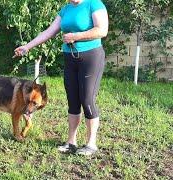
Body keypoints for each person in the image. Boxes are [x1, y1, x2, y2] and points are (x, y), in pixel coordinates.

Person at [14, 0, 108, 155]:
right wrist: (27, 47)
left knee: (87, 99)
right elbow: (48, 32)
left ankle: (91, 144)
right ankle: (71, 143)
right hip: (70, 57)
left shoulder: (94, 3)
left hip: (91, 57)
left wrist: (77, 36)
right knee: (73, 100)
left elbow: (101, 30)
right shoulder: (66, 9)